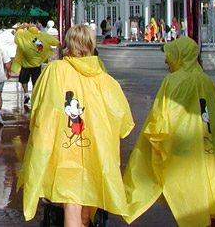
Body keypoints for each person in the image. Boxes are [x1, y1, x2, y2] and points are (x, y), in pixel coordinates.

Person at [18, 24, 134, 226]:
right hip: (96, 154)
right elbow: (123, 121)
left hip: (63, 154)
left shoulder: (56, 70)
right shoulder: (104, 78)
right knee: (86, 205)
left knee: (71, 203)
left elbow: (40, 107)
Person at [123, 36, 215, 227]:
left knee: (182, 198)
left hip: (179, 151)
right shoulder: (208, 82)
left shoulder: (173, 81)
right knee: (199, 199)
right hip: (206, 151)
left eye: (170, 55)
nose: (166, 60)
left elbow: (159, 120)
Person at [10, 24, 59, 103]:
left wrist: (25, 25)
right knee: (36, 81)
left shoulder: (24, 35)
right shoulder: (42, 35)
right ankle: (35, 95)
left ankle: (26, 93)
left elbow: (18, 30)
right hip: (37, 64)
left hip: (25, 64)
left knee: (24, 80)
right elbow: (55, 42)